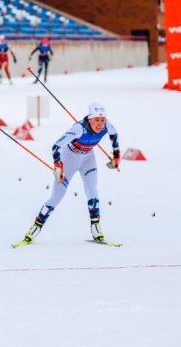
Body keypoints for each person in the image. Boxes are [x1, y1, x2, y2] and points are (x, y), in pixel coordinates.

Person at [18, 102, 120, 245]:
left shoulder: (107, 125)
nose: (100, 124)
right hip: (69, 159)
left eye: (102, 120)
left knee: (93, 191)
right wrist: (58, 165)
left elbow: (114, 136)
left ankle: (96, 230)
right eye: (96, 120)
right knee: (57, 196)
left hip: (88, 159)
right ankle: (34, 229)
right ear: (89, 119)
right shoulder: (79, 128)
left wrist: (116, 156)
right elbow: (56, 146)